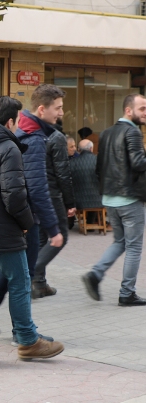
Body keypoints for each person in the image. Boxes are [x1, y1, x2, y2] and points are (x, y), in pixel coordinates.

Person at [0, 96, 64, 368]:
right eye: (17, 121)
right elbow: (15, 196)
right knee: (20, 282)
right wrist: (27, 222)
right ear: (9, 121)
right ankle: (28, 341)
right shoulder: (8, 147)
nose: (18, 126)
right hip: (4, 232)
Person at [0, 84, 65, 336]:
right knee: (23, 276)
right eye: (57, 108)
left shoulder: (19, 129)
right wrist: (53, 228)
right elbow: (37, 187)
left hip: (1, 215)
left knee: (14, 271)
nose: (60, 113)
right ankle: (24, 333)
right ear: (42, 108)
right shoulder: (35, 137)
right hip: (24, 217)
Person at [82, 94, 146, 306]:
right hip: (129, 199)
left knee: (120, 242)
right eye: (142, 108)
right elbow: (138, 163)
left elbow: (99, 168)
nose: (145, 112)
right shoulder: (133, 132)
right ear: (129, 110)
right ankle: (127, 293)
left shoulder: (107, 133)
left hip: (109, 198)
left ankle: (95, 274)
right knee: (134, 247)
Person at [33, 118, 76, 298]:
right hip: (51, 194)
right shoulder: (57, 137)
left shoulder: (30, 134)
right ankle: (30, 273)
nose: (61, 112)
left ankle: (39, 283)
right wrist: (70, 202)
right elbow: (62, 173)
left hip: (36, 192)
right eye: (58, 108)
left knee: (42, 238)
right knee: (60, 236)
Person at [70, 139, 102, 211]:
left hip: (79, 202)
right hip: (99, 201)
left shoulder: (72, 162)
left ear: (79, 150)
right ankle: (92, 220)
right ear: (91, 148)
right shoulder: (99, 160)